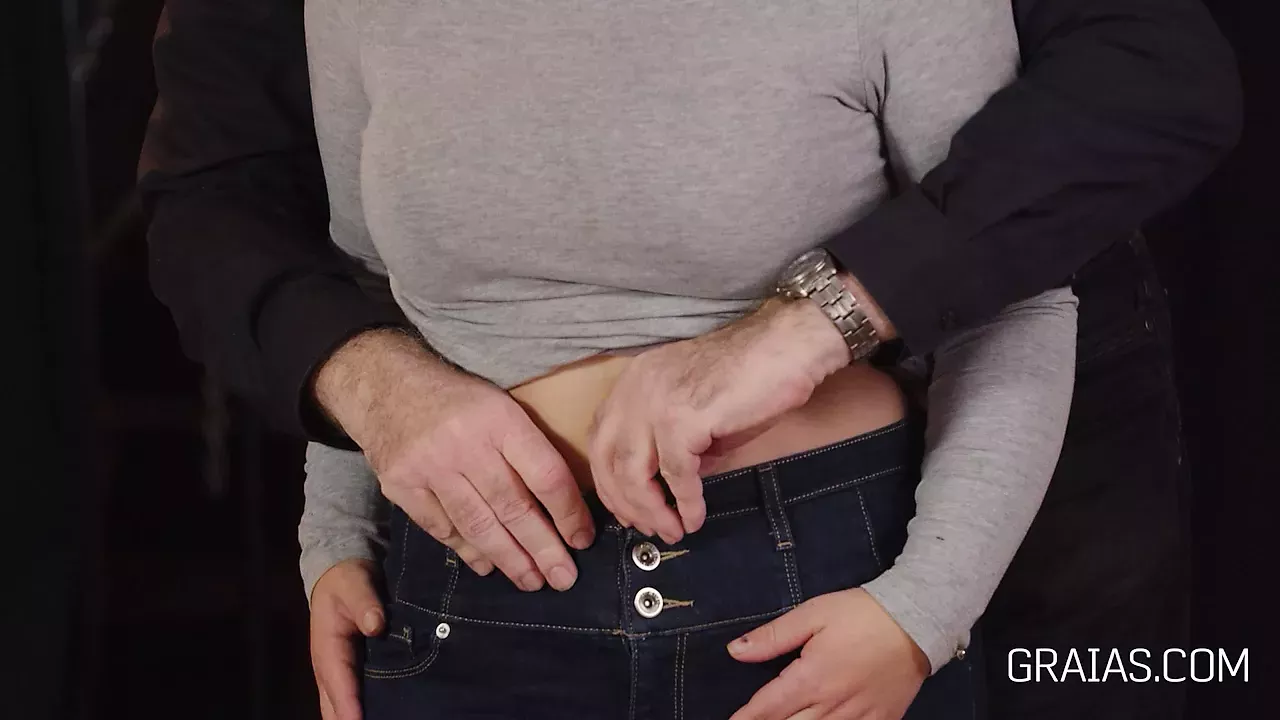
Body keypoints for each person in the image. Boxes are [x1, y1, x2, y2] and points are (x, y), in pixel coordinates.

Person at [138, 1, 1240, 719]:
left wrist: (920, 610)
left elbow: (1017, 280)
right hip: (467, 601)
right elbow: (364, 285)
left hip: (831, 586)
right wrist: (336, 537)